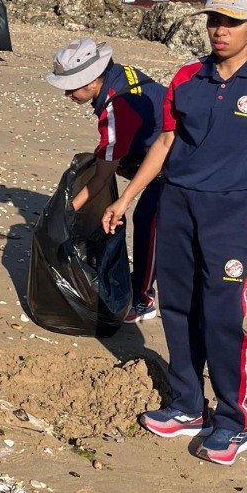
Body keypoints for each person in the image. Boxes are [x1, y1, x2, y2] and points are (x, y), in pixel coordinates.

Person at [103, 0, 247, 465]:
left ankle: (232, 422)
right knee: (177, 309)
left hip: (235, 210)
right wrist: (127, 197)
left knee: (223, 315)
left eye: (232, 22)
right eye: (214, 20)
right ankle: (188, 404)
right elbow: (165, 144)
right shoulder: (187, 77)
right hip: (177, 204)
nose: (220, 30)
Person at [45, 39, 166, 322]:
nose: (66, 93)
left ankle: (143, 300)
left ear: (90, 81)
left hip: (179, 161)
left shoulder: (116, 110)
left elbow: (102, 175)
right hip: (160, 149)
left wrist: (67, 211)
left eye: (70, 86)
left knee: (149, 223)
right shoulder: (119, 75)